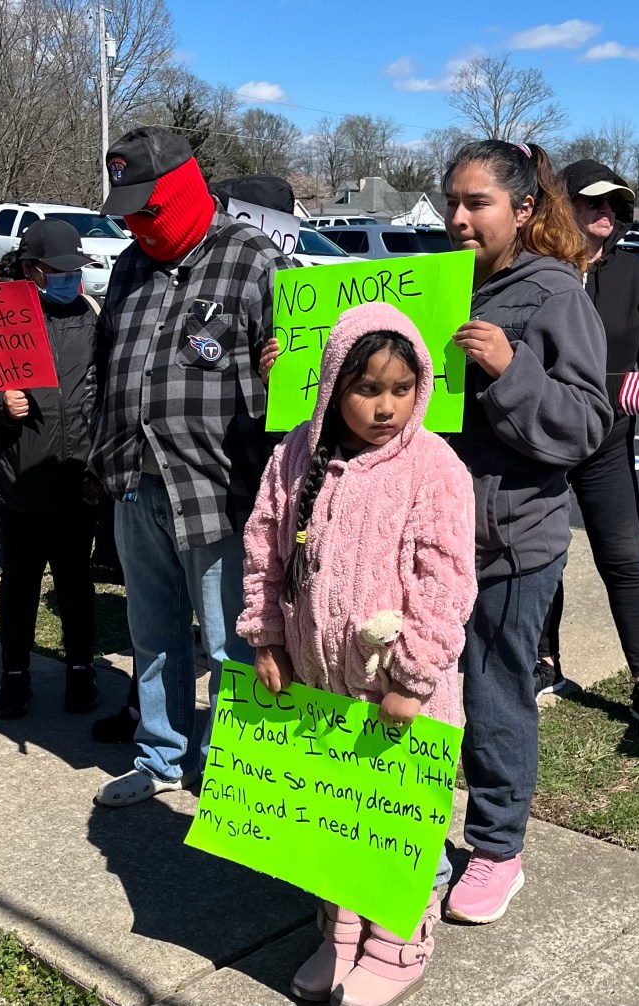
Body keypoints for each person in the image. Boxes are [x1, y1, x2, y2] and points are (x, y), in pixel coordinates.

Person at [237, 301, 476, 1006]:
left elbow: (446, 581)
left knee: (396, 819)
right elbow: (263, 550)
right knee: (336, 817)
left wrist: (414, 675)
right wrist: (267, 637)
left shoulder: (434, 466)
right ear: (334, 384)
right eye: (367, 389)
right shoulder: (295, 455)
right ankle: (341, 934)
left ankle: (400, 941)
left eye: (401, 389)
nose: (385, 406)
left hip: (400, 692)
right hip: (319, 681)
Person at [88, 126, 293, 806]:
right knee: (153, 634)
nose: (137, 225)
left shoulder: (254, 259)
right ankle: (162, 756)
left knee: (231, 642)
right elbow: (107, 364)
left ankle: (230, 771)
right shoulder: (129, 266)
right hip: (135, 480)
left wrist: (280, 377)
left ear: (183, 191)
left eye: (148, 209)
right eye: (127, 212)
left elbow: (304, 380)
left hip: (217, 486)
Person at [439, 140, 612, 925]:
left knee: (494, 694)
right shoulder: (437, 286)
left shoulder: (553, 295)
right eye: (452, 201)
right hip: (427, 539)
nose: (459, 217)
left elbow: (585, 424)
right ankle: (406, 827)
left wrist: (512, 368)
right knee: (417, 693)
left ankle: (496, 849)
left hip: (511, 542)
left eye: (477, 203)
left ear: (524, 208)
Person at [532, 159, 639, 734]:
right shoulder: (537, 271)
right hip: (541, 440)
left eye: (615, 204)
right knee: (543, 557)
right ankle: (544, 662)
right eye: (593, 202)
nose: (607, 212)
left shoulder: (629, 272)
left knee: (623, 559)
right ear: (563, 206)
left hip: (607, 443)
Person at [0, 219, 101, 718]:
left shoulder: (93, 316)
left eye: (75, 271)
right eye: (59, 271)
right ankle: (15, 674)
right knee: (22, 577)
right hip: (14, 478)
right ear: (31, 269)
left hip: (76, 475)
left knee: (75, 578)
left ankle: (81, 670)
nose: (70, 279)